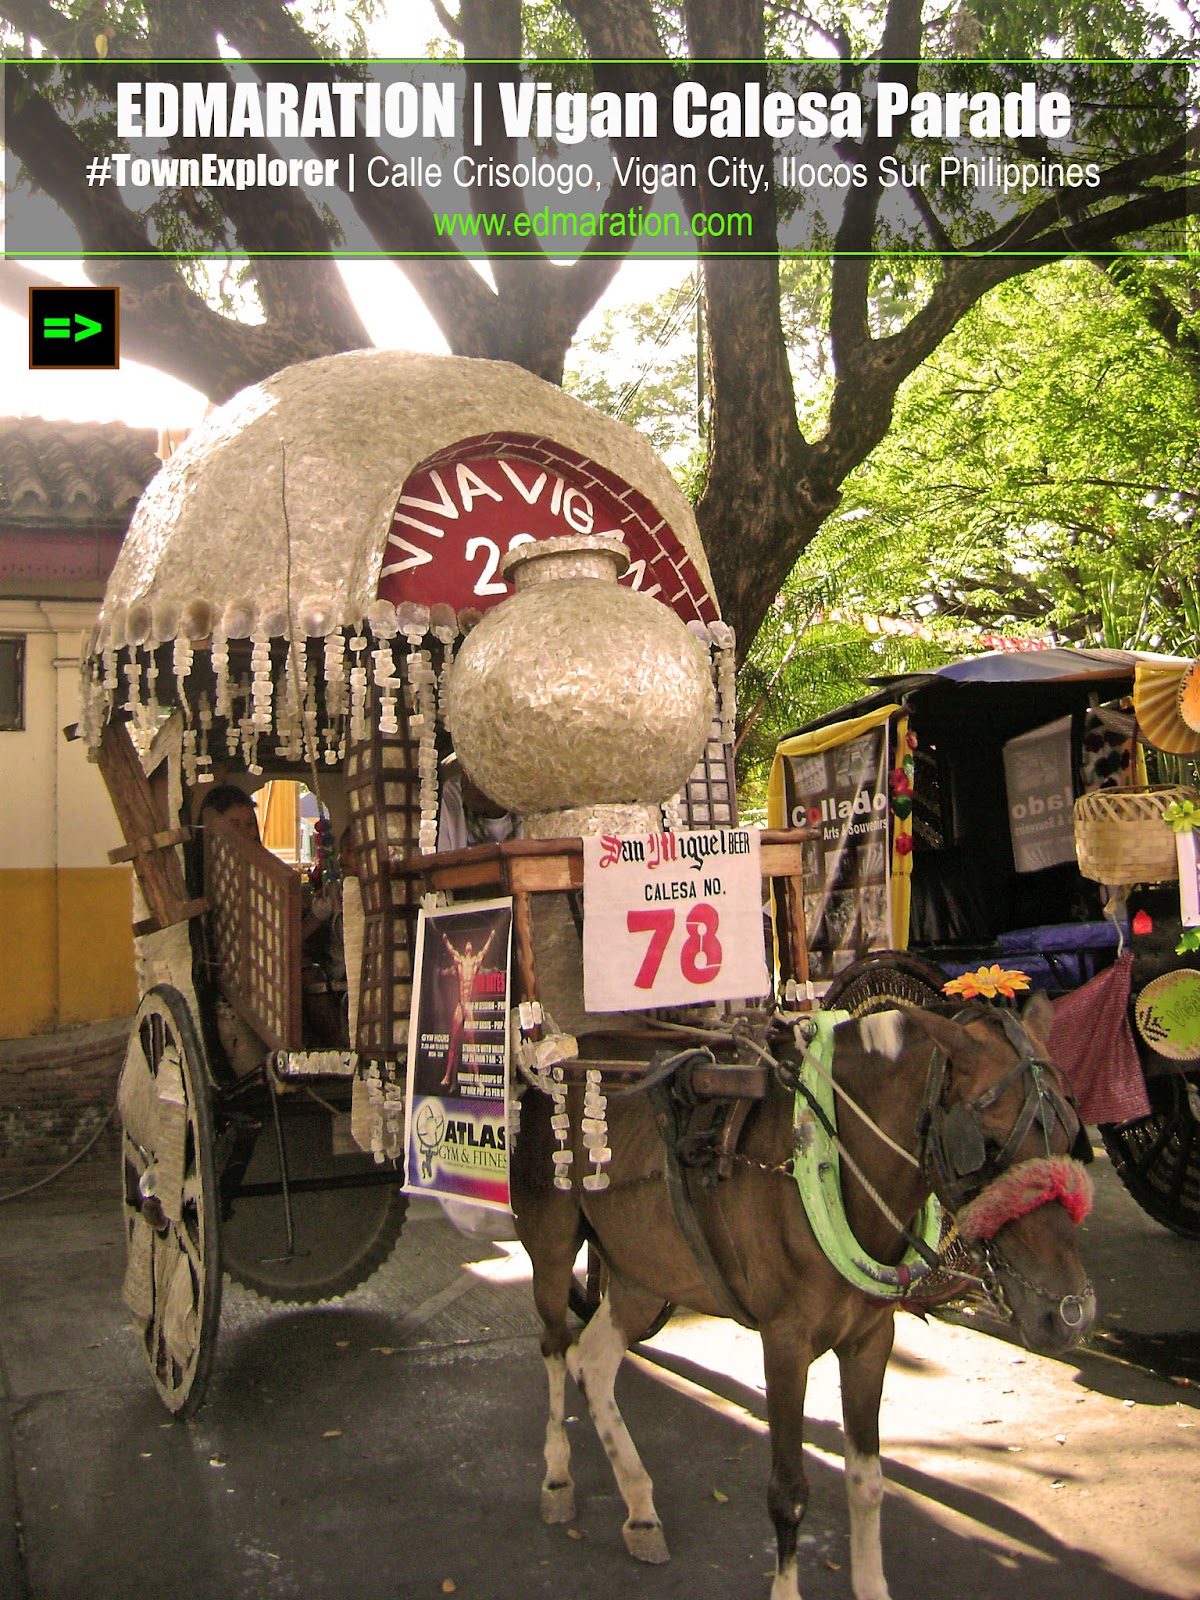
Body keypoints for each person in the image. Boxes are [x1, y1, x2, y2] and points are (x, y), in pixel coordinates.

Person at [436, 754, 514, 852]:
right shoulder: (447, 801)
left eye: (483, 772)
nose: (468, 780)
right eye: (466, 769)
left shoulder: (530, 813)